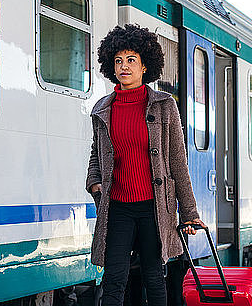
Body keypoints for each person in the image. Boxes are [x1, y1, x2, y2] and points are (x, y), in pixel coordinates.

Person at [85, 24, 204, 306]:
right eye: (118, 61)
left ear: (145, 66)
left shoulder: (164, 105)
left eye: (131, 60)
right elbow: (96, 152)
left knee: (154, 277)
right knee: (113, 278)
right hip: (117, 206)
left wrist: (189, 213)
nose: (123, 67)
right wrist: (94, 181)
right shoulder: (103, 108)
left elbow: (177, 160)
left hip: (154, 206)